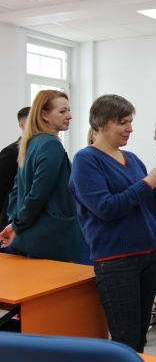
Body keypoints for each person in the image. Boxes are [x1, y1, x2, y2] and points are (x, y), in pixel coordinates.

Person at [69, 94, 156, 352]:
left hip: (149, 254)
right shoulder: (86, 160)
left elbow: (148, 204)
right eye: (123, 122)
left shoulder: (131, 158)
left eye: (130, 121)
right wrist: (148, 183)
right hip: (117, 260)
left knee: (140, 335)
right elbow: (106, 208)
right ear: (99, 124)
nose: (130, 128)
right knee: (125, 339)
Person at [0, 91, 82, 261]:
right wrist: (17, 224)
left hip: (32, 236)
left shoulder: (30, 143)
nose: (69, 116)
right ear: (44, 115)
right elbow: (37, 194)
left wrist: (15, 222)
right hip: (50, 238)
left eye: (68, 110)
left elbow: (15, 191)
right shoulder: (51, 144)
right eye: (62, 111)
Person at [0, 107, 30, 229]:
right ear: (22, 125)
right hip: (11, 220)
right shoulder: (11, 152)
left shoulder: (41, 150)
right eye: (32, 121)